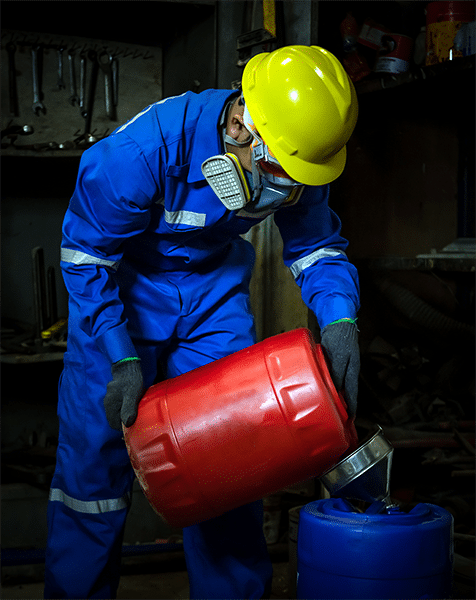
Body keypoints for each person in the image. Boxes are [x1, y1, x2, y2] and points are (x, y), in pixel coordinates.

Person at [44, 45, 360, 599]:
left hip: (212, 298)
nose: (286, 189)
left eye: (297, 177)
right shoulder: (143, 152)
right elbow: (85, 258)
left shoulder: (296, 156)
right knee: (92, 475)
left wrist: (340, 321)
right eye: (277, 172)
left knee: (228, 460)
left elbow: (316, 248)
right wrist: (119, 354)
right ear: (244, 125)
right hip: (120, 296)